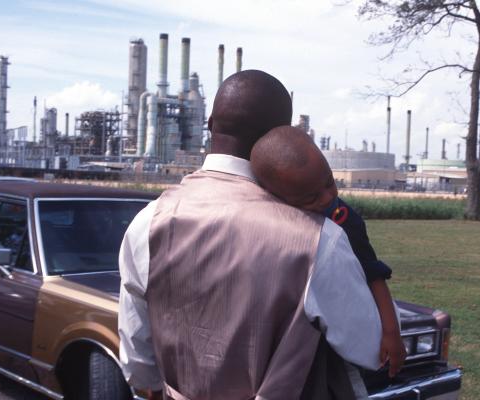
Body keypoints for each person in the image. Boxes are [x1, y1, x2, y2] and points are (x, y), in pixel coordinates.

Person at [118, 70, 383, 400]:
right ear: (281, 135)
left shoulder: (147, 223)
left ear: (211, 123)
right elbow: (369, 348)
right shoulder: (318, 240)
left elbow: (138, 360)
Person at [250, 125, 406, 377]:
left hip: (340, 336)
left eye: (329, 183)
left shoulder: (345, 219)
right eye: (310, 197)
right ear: (275, 197)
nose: (326, 198)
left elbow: (373, 274)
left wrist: (391, 333)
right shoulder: (269, 222)